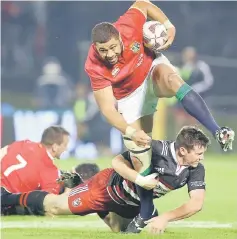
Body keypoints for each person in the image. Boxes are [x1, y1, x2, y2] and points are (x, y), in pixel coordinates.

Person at [84, 0, 234, 225]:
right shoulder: (94, 65)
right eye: (103, 50)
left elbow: (142, 3)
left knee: (173, 79)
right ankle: (146, 210)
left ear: (119, 38)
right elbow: (107, 109)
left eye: (113, 47)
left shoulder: (129, 25)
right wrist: (129, 131)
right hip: (129, 97)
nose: (110, 54)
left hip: (151, 69)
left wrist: (168, 25)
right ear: (95, 47)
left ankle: (217, 130)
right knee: (141, 150)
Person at [8, 126, 209, 235]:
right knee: (54, 207)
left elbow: (196, 202)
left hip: (134, 204)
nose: (201, 158)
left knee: (119, 230)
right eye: (199, 153)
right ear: (183, 150)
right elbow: (117, 161)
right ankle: (7, 199)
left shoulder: (195, 169)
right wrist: (139, 179)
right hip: (105, 189)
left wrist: (165, 217)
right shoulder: (155, 149)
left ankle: (82, 184)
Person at [1, 125, 70, 214]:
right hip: (6, 199)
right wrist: (68, 189)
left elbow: (2, 153)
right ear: (55, 147)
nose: (66, 148)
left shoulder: (23, 143)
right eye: (64, 145)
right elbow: (47, 200)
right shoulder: (50, 170)